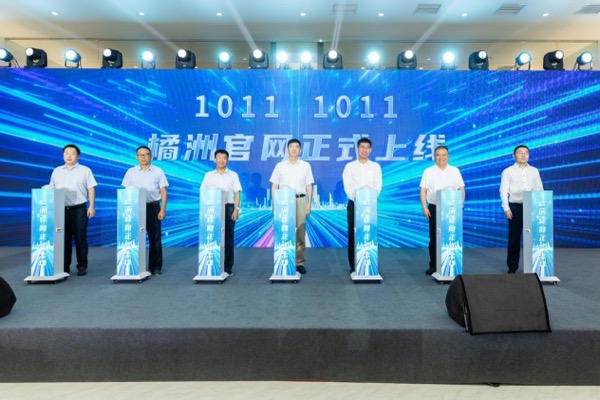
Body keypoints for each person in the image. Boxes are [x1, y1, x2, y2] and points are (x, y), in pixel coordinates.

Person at [49, 144, 97, 276]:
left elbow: (91, 188)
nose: (69, 156)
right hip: (61, 209)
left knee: (80, 238)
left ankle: (82, 266)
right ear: (63, 155)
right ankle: (64, 267)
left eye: (72, 153)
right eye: (66, 153)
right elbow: (51, 188)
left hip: (78, 209)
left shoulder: (85, 170)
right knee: (63, 239)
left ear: (78, 156)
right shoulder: (57, 171)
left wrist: (91, 206)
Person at [121, 145, 169, 276]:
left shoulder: (158, 171)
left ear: (150, 156)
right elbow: (126, 191)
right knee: (134, 237)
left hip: (152, 206)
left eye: (146, 154)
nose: (143, 157)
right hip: (135, 207)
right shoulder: (131, 172)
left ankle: (155, 267)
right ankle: (135, 266)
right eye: (140, 155)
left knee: (155, 238)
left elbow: (163, 190)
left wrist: (162, 208)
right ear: (136, 157)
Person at [270, 139, 314, 274]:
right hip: (283, 201)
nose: (294, 149)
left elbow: (308, 185)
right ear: (287, 149)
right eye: (291, 147)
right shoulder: (280, 166)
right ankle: (284, 259)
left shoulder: (305, 165)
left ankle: (299, 262)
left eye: (297, 147)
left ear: (300, 150)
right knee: (284, 231)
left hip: (300, 199)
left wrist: (309, 203)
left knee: (300, 232)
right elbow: (274, 185)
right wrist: (275, 203)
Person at [419, 145, 465, 275]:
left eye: (444, 155)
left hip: (452, 209)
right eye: (438, 155)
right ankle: (434, 265)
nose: (441, 157)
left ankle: (452, 263)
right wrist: (424, 207)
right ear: (434, 157)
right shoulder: (428, 171)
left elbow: (461, 188)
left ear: (448, 156)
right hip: (434, 208)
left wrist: (460, 205)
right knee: (434, 237)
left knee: (451, 236)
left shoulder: (455, 171)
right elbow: (423, 190)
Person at [499, 144, 543, 273]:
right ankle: (512, 268)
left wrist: (540, 205)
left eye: (526, 153)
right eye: (520, 152)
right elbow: (503, 191)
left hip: (532, 206)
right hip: (515, 206)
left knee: (534, 237)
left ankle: (534, 267)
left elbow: (539, 188)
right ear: (514, 155)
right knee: (514, 238)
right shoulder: (507, 171)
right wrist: (506, 208)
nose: (523, 155)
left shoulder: (534, 170)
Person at [342, 138, 382, 273]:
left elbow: (378, 185)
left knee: (369, 232)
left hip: (370, 205)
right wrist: (357, 198)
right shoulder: (350, 166)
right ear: (357, 149)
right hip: (354, 204)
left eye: (367, 147)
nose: (364, 150)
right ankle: (353, 265)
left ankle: (369, 261)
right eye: (362, 147)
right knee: (353, 233)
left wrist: (369, 198)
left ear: (370, 150)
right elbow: (347, 186)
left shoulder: (375, 167)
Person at [200, 149, 242, 275]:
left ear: (227, 160)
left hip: (228, 207)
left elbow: (237, 193)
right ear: (215, 159)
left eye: (224, 158)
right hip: (212, 208)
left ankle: (227, 267)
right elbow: (203, 192)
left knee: (228, 238)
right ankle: (211, 264)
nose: (221, 160)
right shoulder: (208, 175)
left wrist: (236, 209)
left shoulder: (233, 175)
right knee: (211, 236)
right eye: (219, 157)